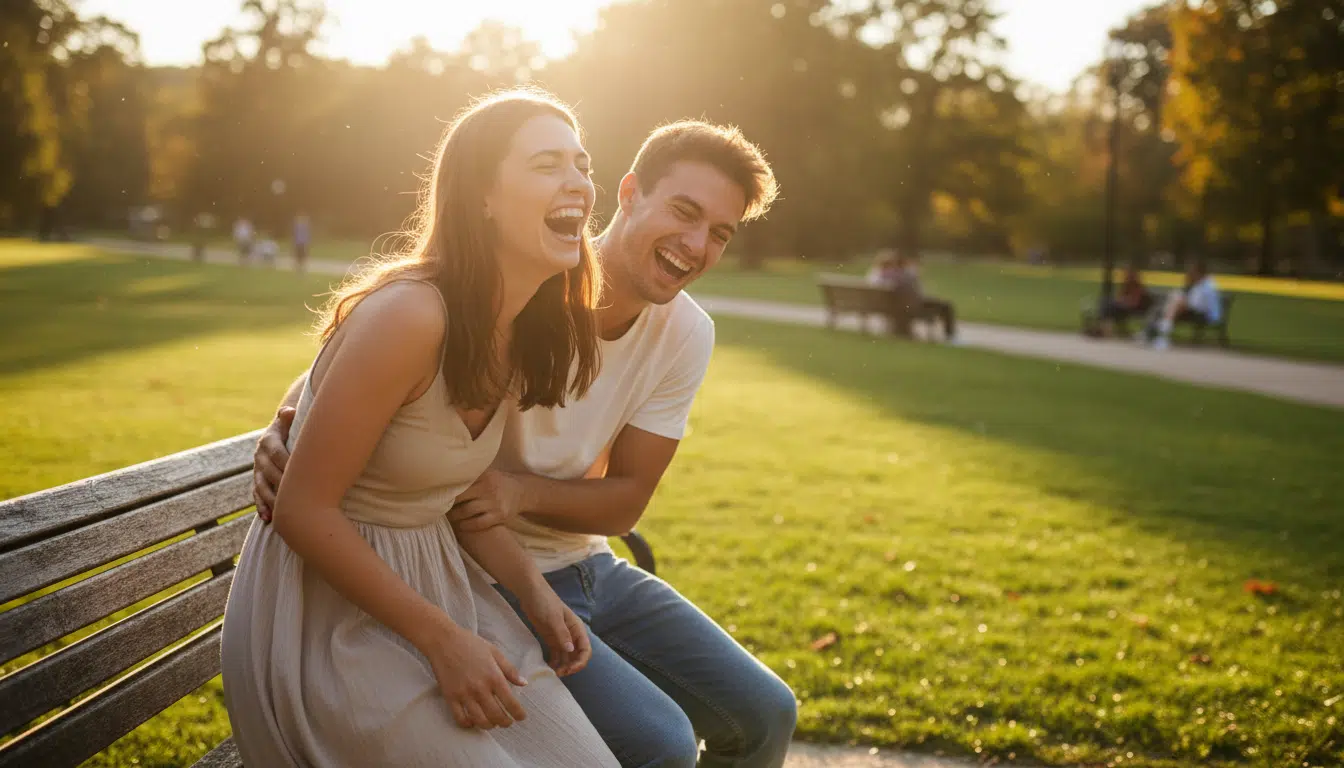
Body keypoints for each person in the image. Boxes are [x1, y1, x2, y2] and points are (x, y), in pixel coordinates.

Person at [253, 120, 797, 767]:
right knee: (660, 743)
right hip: (480, 568)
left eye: (720, 233)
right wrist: (286, 415)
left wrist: (516, 492)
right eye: (684, 212)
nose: (696, 244)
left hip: (586, 565)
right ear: (628, 194)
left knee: (766, 714)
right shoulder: (538, 282)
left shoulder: (685, 333)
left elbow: (624, 504)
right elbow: (390, 351)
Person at [220, 89, 620, 768]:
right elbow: (303, 508)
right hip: (324, 619)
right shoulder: (412, 315)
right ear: (482, 197)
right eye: (548, 164)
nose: (578, 182)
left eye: (582, 165)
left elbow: (457, 494)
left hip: (435, 589)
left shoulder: (519, 331)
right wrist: (442, 642)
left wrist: (533, 592)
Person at [1145, 262, 1222, 350]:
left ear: (1198, 273)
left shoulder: (1207, 286)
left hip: (1206, 315)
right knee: (1170, 304)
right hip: (1192, 311)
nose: (1189, 274)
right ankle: (1159, 336)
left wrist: (1182, 301)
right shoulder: (1197, 284)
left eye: (1192, 272)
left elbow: (1199, 305)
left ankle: (1160, 336)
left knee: (1172, 305)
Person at [892, 251, 958, 342]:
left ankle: (950, 333)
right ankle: (950, 333)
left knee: (942, 304)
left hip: (907, 304)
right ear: (905, 262)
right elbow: (917, 291)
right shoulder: (908, 273)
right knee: (947, 305)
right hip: (916, 304)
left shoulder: (894, 274)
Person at [1092, 265, 1153, 337]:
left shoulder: (1137, 287)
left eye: (1127, 275)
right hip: (1123, 308)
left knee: (1108, 307)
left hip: (1133, 310)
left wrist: (1123, 301)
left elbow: (1134, 303)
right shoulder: (1127, 285)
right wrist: (1121, 300)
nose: (1125, 277)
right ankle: (1103, 330)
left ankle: (1103, 330)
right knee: (1106, 304)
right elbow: (1119, 296)